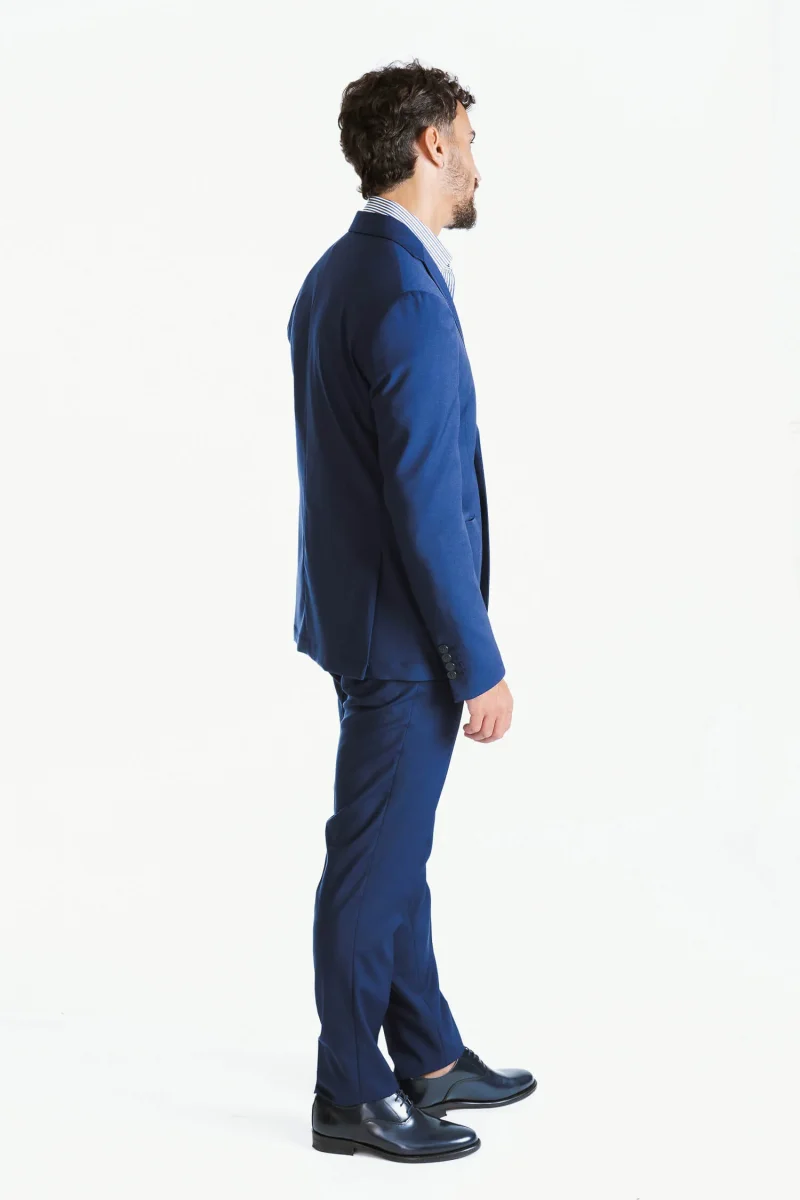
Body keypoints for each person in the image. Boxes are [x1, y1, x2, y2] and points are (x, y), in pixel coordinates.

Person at [286, 59, 536, 1164]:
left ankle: (426, 1055)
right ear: (431, 144)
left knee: (392, 849)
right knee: (371, 861)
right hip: (402, 637)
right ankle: (349, 1091)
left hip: (359, 617)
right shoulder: (402, 295)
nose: (476, 161)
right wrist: (475, 661)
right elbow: (426, 505)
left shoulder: (340, 273)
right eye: (468, 140)